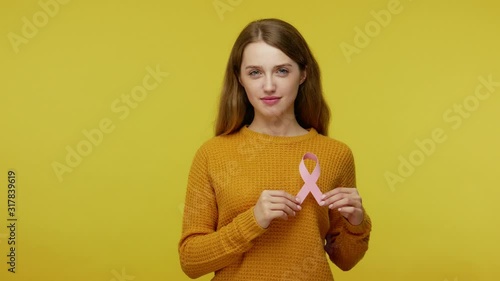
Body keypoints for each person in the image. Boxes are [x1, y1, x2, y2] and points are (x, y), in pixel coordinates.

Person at [178, 18, 371, 281]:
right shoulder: (212, 154)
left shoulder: (336, 154)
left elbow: (345, 260)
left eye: (282, 70)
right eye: (255, 72)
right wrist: (253, 220)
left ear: (303, 74)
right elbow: (191, 261)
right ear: (240, 78)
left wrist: (357, 222)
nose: (269, 85)